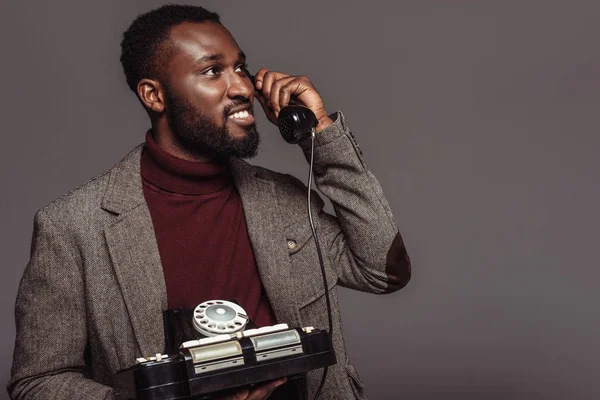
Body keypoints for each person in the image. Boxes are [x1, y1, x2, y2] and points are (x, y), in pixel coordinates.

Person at [8, 4, 411, 400]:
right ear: (154, 95)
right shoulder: (73, 226)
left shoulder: (286, 199)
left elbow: (383, 271)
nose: (242, 87)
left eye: (240, 67)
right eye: (212, 71)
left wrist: (319, 134)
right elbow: (39, 380)